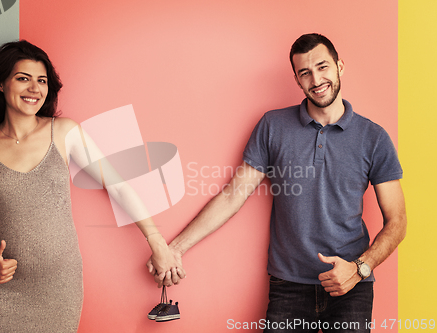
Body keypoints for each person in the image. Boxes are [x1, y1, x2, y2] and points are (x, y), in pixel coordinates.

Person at [147, 33, 406, 332]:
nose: (316, 79)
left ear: (340, 67)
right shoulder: (273, 126)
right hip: (289, 285)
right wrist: (175, 249)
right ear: (297, 80)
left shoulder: (373, 138)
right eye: (305, 72)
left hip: (351, 284)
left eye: (322, 67)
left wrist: (360, 269)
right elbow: (234, 195)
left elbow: (397, 220)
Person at [0, 40, 184, 333]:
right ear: (0, 84)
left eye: (42, 81)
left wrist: (158, 244)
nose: (34, 89)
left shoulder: (64, 132)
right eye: (23, 78)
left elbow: (119, 187)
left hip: (59, 288)